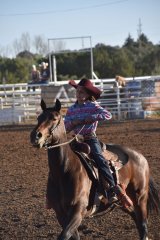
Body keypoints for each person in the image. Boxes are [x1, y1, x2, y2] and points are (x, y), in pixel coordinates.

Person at [64, 78, 133, 208]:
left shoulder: (93, 106)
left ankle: (113, 188)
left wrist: (90, 118)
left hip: (90, 139)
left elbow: (107, 115)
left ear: (88, 94)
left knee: (100, 160)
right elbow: (65, 126)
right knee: (61, 159)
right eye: (78, 91)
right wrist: (72, 123)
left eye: (82, 92)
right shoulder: (71, 109)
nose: (79, 94)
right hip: (74, 139)